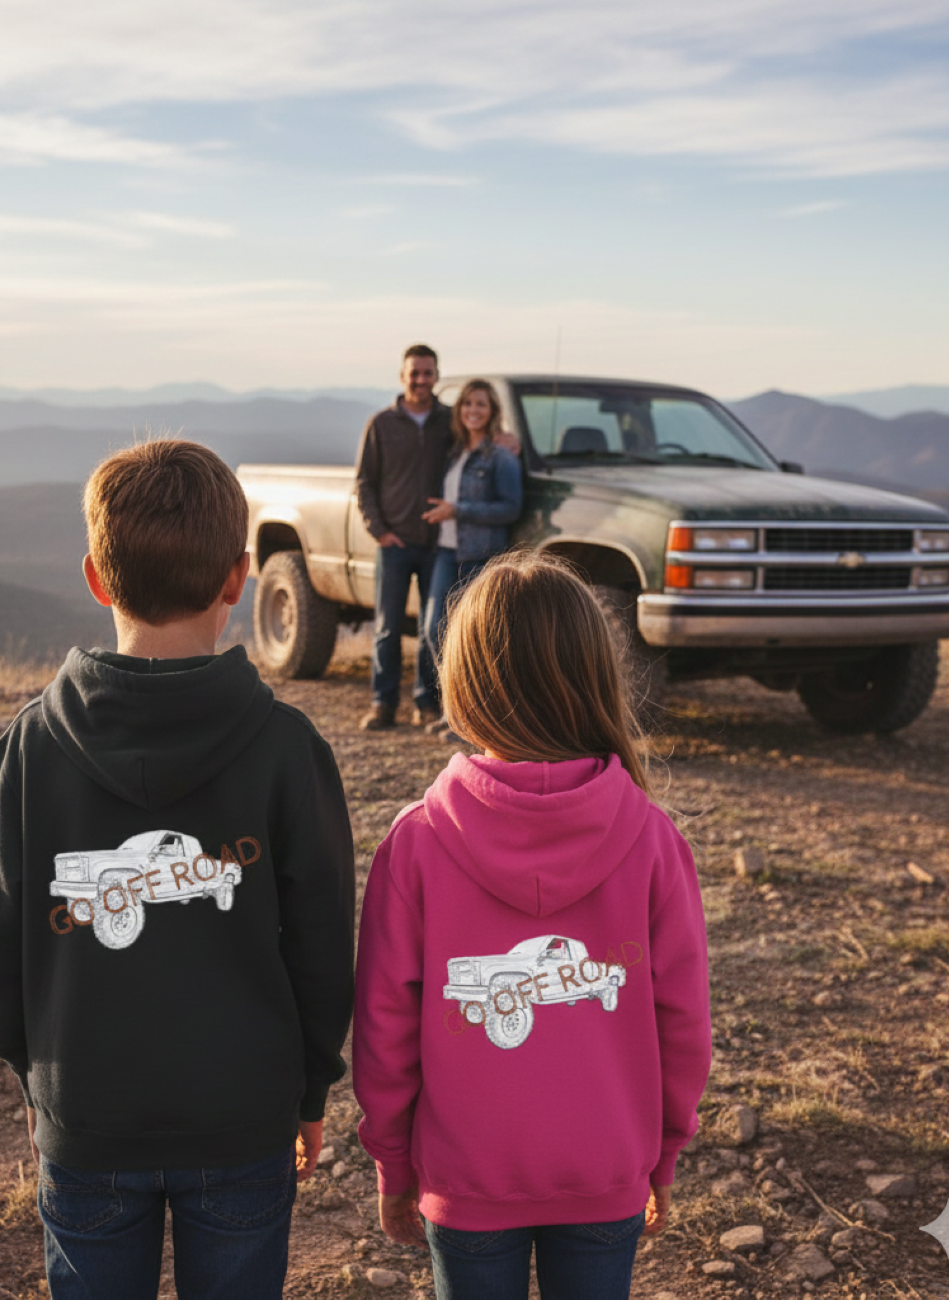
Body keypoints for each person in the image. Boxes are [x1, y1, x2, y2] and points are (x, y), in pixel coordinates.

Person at [0, 439, 356, 1300]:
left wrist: (31, 1078)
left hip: (88, 1117)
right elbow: (326, 944)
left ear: (97, 579)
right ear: (239, 578)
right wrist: (312, 1084)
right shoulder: (289, 751)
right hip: (244, 1119)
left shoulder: (30, 748)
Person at [352, 552, 711, 1300]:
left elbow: (384, 1028)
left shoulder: (416, 843)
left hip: (466, 1174)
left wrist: (393, 1160)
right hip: (607, 1170)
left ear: (465, 683)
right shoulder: (651, 838)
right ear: (592, 678)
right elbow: (685, 1023)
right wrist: (663, 1151)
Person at [354, 343, 452, 731]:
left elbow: (482, 440)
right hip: (393, 543)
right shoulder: (381, 424)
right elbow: (364, 481)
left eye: (427, 373)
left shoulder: (451, 422)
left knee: (432, 628)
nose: (421, 380)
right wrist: (378, 530)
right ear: (402, 376)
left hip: (437, 543)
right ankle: (383, 702)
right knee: (388, 627)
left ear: (437, 376)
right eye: (414, 373)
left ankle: (426, 702)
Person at [420, 377, 523, 740]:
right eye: (468, 404)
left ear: (492, 411)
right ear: (459, 410)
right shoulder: (455, 452)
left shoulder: (500, 456)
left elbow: (510, 508)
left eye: (481, 405)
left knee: (473, 638)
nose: (473, 411)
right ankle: (454, 711)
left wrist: (457, 510)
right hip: (446, 551)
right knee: (434, 629)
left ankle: (472, 723)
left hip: (479, 556)